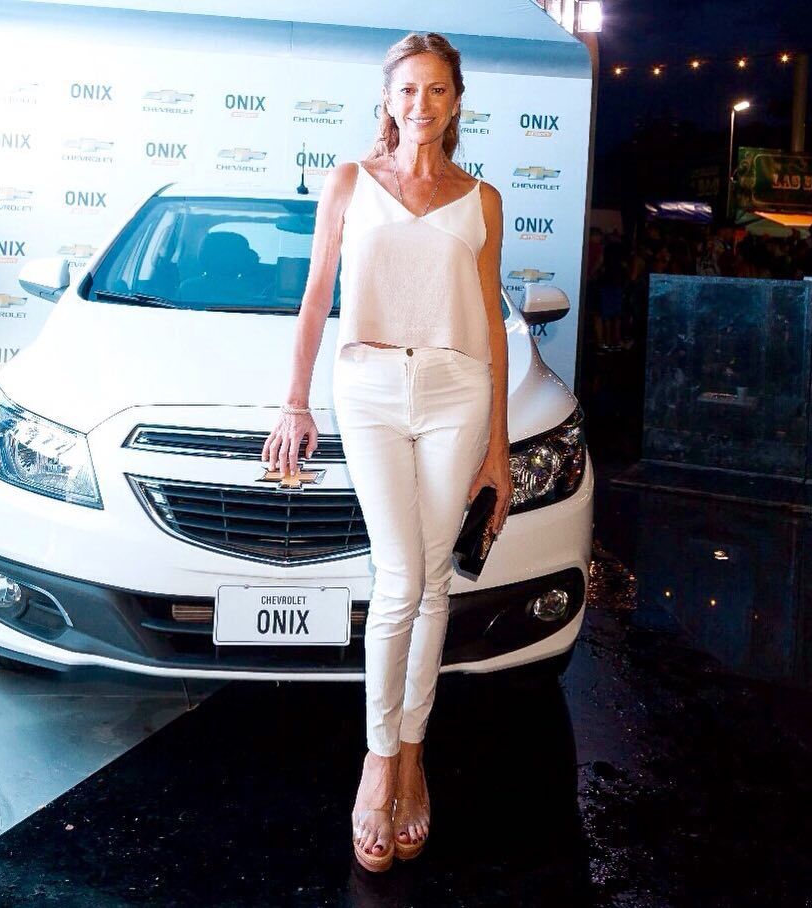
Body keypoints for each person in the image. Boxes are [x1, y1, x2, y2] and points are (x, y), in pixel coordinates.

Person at [260, 32, 512, 872]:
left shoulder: (482, 201)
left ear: (456, 101)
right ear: (387, 99)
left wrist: (498, 451)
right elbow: (315, 297)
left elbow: (493, 327)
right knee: (402, 576)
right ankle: (379, 761)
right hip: (366, 389)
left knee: (432, 581)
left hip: (456, 391)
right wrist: (295, 400)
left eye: (437, 90)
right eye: (408, 89)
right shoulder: (349, 182)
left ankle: (412, 755)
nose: (421, 104)